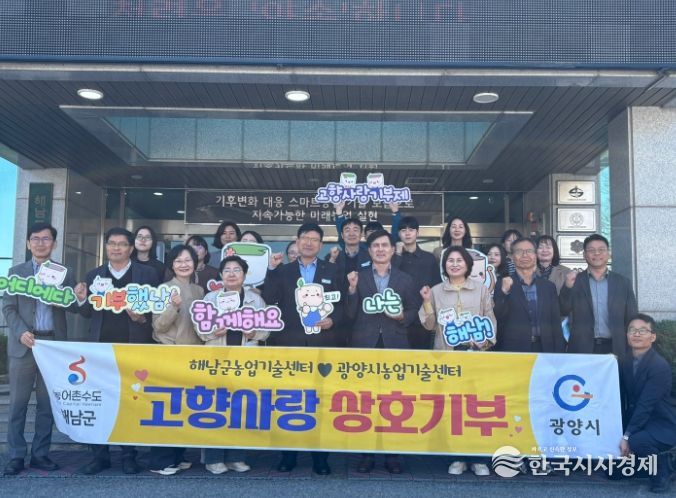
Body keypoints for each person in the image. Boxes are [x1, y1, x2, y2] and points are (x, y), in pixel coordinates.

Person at [73, 227, 160, 475]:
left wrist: (142, 319)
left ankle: (129, 455)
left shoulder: (147, 274)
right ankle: (99, 456)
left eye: (122, 244)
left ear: (131, 248)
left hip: (133, 349)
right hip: (101, 350)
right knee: (99, 401)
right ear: (106, 246)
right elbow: (87, 312)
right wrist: (82, 298)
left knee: (129, 402)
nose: (116, 248)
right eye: (112, 243)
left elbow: (157, 308)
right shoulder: (94, 275)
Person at [262, 222, 343, 475]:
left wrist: (333, 320)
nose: (309, 243)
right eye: (305, 238)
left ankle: (320, 458)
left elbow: (343, 304)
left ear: (321, 244)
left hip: (323, 346)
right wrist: (271, 270)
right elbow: (269, 299)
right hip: (290, 345)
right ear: (297, 242)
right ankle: (289, 455)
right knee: (290, 401)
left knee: (320, 402)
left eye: (314, 239)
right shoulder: (283, 271)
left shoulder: (333, 270)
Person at [2, 223, 79, 476]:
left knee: (47, 405)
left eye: (46, 239)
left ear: (54, 244)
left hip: (52, 346)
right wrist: (20, 331)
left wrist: (74, 295)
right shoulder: (16, 272)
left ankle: (40, 454)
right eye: (35, 239)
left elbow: (74, 306)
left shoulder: (64, 273)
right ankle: (16, 455)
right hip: (24, 344)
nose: (40, 243)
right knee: (18, 404)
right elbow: (8, 307)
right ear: (28, 243)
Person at [346, 230, 421, 474]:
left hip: (395, 344)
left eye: (384, 245)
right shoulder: (358, 277)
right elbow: (349, 313)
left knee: (394, 402)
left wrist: (402, 317)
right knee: (365, 401)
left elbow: (414, 310)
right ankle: (366, 454)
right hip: (364, 345)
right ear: (369, 251)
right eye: (375, 246)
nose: (380, 249)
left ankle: (393, 455)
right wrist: (351, 290)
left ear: (392, 250)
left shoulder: (405, 279)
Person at [419, 245, 496, 476]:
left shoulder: (481, 290)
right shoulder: (436, 291)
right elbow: (429, 325)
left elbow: (490, 319)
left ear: (468, 265)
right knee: (453, 409)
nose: (454, 264)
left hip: (475, 357)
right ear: (444, 266)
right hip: (448, 357)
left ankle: (478, 458)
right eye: (450, 261)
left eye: (459, 260)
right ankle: (457, 457)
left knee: (476, 407)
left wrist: (484, 342)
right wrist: (426, 301)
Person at [199, 255, 271, 474]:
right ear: (221, 275)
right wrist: (214, 331)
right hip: (217, 358)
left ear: (245, 275)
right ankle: (213, 458)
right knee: (216, 407)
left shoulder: (255, 300)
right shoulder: (210, 298)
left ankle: (236, 457)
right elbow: (199, 329)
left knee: (241, 407)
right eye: (227, 270)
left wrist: (253, 333)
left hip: (244, 360)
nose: (232, 274)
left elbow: (267, 329)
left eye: (237, 270)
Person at [149, 245, 204, 475]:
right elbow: (158, 326)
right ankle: (161, 460)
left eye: (188, 260)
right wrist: (173, 307)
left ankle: (178, 455)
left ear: (195, 263)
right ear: (171, 265)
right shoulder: (164, 289)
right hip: (170, 354)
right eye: (179, 260)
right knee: (167, 408)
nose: (184, 264)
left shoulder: (199, 290)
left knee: (184, 408)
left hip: (194, 356)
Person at [620, 314, 676, 493]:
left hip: (661, 423)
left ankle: (664, 471)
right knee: (613, 473)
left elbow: (646, 405)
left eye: (642, 330)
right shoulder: (626, 361)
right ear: (627, 335)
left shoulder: (659, 367)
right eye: (632, 330)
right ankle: (641, 465)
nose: (636, 334)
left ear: (652, 337)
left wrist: (627, 435)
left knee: (637, 441)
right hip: (638, 419)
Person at [559, 234, 638, 362]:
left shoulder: (623, 282)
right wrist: (567, 287)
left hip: (615, 348)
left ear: (608, 254)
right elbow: (562, 310)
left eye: (601, 249)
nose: (596, 253)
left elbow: (631, 317)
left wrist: (631, 348)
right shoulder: (575, 281)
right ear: (584, 255)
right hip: (582, 349)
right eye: (591, 250)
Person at [493, 237, 565, 353]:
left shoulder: (548, 287)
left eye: (529, 251)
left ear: (535, 255)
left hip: (545, 349)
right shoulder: (502, 284)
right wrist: (504, 293)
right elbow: (497, 318)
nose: (524, 255)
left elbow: (555, 323)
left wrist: (559, 352)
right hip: (514, 350)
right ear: (512, 257)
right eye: (519, 251)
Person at [398, 216, 442, 349]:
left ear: (417, 233)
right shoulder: (393, 258)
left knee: (421, 357)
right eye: (403, 230)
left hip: (422, 320)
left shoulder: (429, 259)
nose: (407, 233)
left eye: (411, 230)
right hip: (398, 318)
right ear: (399, 234)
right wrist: (397, 256)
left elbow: (437, 287)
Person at [333, 201, 401, 251]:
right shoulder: (357, 248)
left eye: (377, 232)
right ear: (364, 236)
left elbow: (396, 234)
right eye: (371, 231)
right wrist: (339, 212)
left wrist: (396, 212)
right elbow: (343, 233)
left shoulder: (388, 247)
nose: (374, 234)